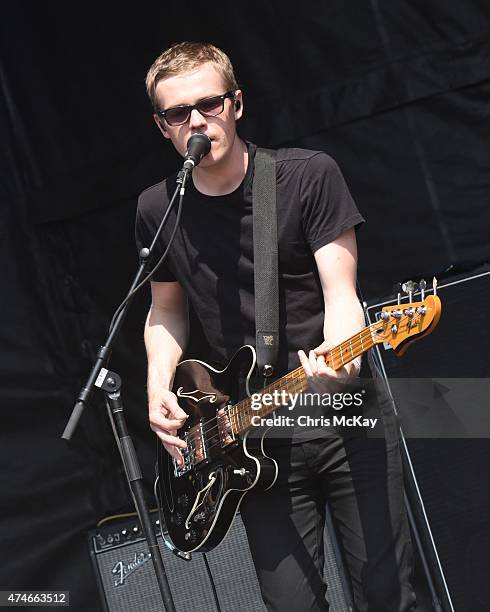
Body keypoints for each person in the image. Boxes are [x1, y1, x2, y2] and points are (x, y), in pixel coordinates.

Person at [135, 41, 416, 612]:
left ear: (237, 104)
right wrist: (157, 381)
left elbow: (342, 294)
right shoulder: (158, 208)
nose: (196, 123)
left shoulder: (306, 177)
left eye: (209, 105)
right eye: (177, 114)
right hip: (250, 433)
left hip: (342, 412)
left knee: (388, 596)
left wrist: (344, 356)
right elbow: (167, 308)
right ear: (162, 127)